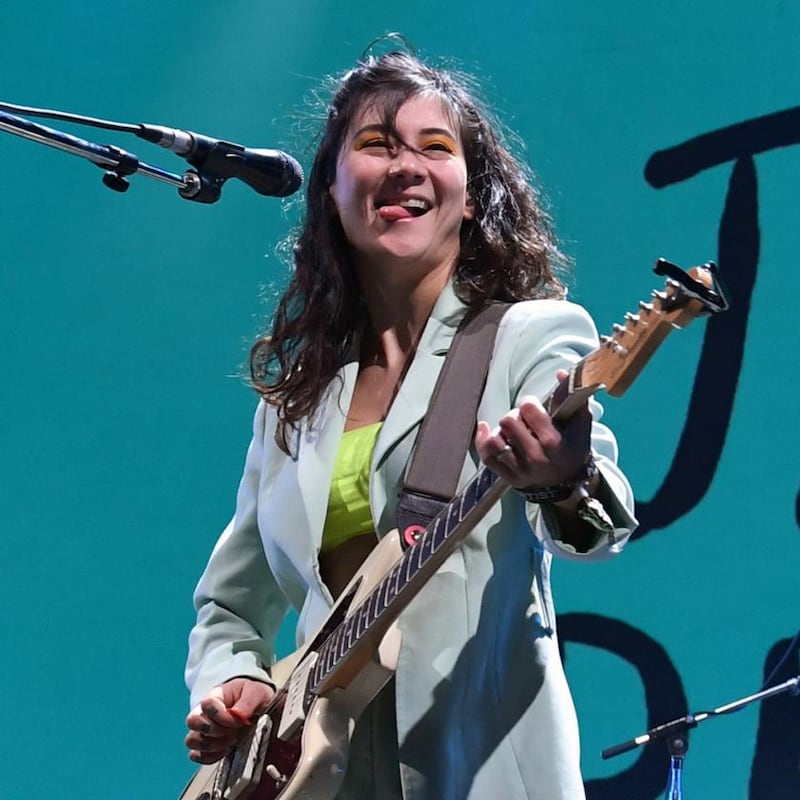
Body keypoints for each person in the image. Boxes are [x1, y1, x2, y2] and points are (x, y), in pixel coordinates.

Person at [183, 45, 637, 800]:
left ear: (469, 193)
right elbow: (231, 603)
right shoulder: (297, 400)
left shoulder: (533, 336)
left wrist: (566, 480)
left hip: (482, 769)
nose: (405, 166)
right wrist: (235, 685)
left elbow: (599, 528)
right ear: (331, 190)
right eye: (374, 145)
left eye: (436, 147)